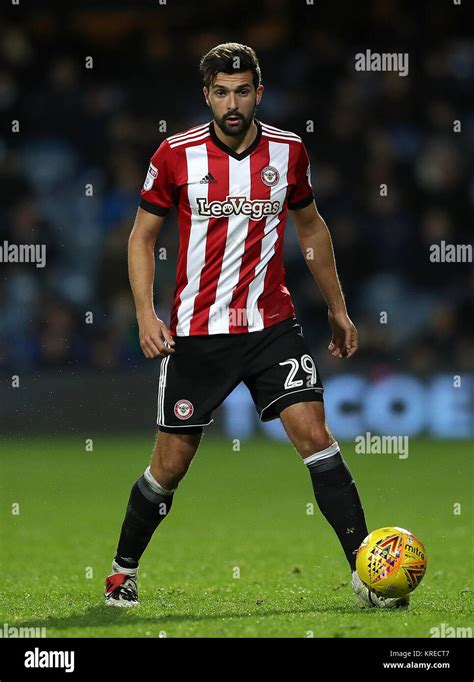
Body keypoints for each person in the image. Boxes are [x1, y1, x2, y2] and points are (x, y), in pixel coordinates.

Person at [104, 42, 408, 609]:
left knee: (316, 437)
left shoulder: (289, 152)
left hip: (273, 327)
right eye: (221, 92)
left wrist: (338, 308)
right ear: (207, 96)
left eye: (242, 90)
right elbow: (141, 237)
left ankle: (367, 574)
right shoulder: (175, 155)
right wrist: (146, 313)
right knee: (169, 467)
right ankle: (123, 569)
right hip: (197, 335)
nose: (232, 102)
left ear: (258, 92)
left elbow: (312, 227)